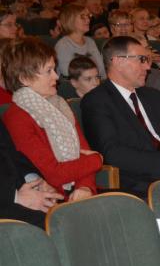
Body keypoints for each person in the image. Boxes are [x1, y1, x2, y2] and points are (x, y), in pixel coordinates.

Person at [81, 36, 160, 198]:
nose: (148, 66)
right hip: (139, 183)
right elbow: (112, 153)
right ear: (118, 62)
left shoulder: (152, 96)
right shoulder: (97, 101)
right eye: (142, 60)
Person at [2, 38, 102, 201]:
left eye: (54, 69)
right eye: (49, 71)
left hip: (79, 192)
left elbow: (84, 151)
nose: (56, 76)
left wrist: (85, 187)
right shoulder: (16, 117)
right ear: (24, 78)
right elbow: (54, 174)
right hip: (52, 199)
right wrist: (98, 159)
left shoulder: (60, 105)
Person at [0, 118, 64, 228]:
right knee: (58, 224)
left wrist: (36, 181)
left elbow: (11, 154)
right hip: (6, 203)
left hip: (16, 190)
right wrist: (16, 197)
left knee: (67, 215)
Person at [54, 3, 106, 79]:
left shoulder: (90, 41)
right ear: (70, 20)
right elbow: (68, 74)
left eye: (88, 16)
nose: (88, 20)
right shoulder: (63, 45)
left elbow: (101, 70)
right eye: (82, 17)